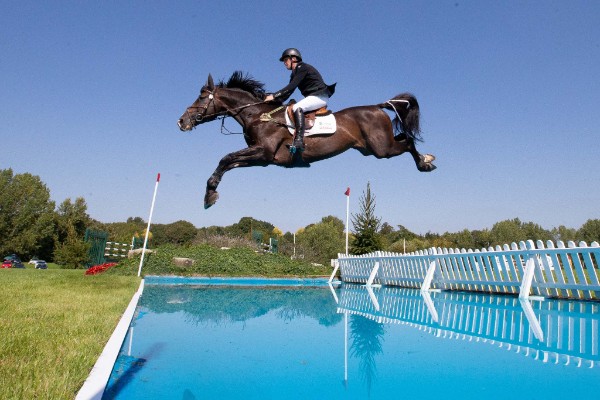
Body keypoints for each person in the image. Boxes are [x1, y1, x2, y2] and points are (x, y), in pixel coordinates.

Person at [264, 48, 335, 152]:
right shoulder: (294, 73)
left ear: (293, 58)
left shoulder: (303, 67)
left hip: (320, 96)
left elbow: (291, 86)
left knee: (297, 107)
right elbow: (288, 93)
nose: (284, 63)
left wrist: (274, 96)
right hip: (313, 97)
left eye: (285, 60)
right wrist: (274, 101)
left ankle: (299, 141)